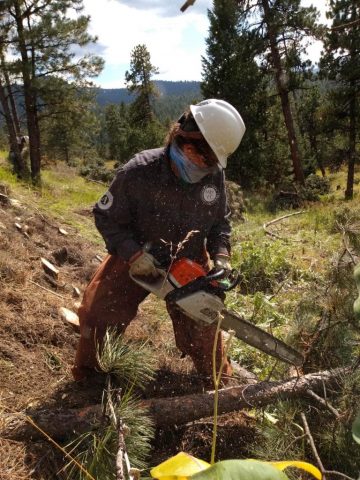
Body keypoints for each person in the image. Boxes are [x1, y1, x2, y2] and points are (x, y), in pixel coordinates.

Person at [72, 99, 246, 384]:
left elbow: (219, 223)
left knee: (205, 331)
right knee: (98, 315)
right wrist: (131, 253)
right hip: (138, 257)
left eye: (214, 161)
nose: (207, 167)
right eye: (204, 159)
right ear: (185, 141)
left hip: (189, 260)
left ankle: (218, 388)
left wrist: (222, 256)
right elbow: (105, 216)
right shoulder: (139, 171)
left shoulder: (213, 175)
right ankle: (90, 378)